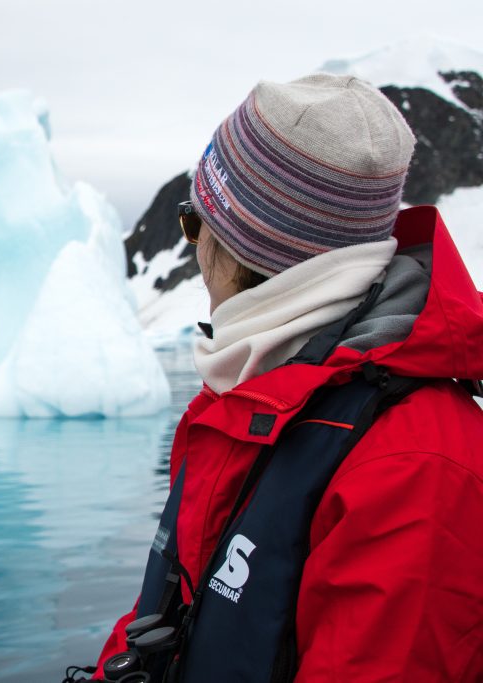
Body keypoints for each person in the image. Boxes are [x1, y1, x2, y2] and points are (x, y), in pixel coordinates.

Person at [86, 74, 483, 682]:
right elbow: (172, 609)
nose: (193, 253)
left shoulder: (413, 468)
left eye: (195, 224)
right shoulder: (258, 395)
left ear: (249, 249)